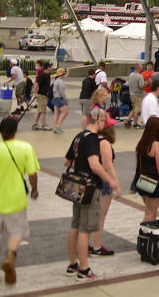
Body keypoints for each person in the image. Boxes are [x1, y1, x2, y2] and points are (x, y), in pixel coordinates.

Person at [65, 107, 118, 282]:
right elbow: (95, 165)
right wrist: (110, 180)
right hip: (90, 188)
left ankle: (72, 264)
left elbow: (67, 161)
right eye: (104, 122)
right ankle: (84, 269)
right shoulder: (93, 140)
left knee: (75, 225)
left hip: (76, 186)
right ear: (99, 121)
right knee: (85, 230)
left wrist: (79, 168)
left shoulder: (79, 137)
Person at [0, 117, 39, 286]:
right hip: (17, 199)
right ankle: (10, 257)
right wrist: (34, 189)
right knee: (16, 232)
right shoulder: (25, 148)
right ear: (16, 131)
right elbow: (32, 174)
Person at [89, 123, 120, 257]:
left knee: (89, 214)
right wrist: (115, 183)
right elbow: (108, 166)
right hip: (103, 181)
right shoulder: (104, 143)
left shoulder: (91, 140)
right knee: (101, 215)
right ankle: (97, 246)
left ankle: (85, 242)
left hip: (91, 179)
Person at [135, 116, 159, 222]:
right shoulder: (157, 146)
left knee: (149, 210)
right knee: (150, 212)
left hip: (141, 180)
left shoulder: (140, 145)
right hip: (154, 182)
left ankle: (150, 235)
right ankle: (145, 235)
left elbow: (137, 165)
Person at [31, 60, 52, 131]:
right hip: (41, 95)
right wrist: (35, 93)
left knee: (39, 111)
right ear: (48, 67)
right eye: (51, 67)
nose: (52, 68)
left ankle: (35, 124)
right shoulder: (42, 75)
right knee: (43, 111)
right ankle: (44, 125)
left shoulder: (48, 75)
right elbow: (36, 84)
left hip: (45, 95)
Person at [51, 67, 70, 133]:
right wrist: (66, 100)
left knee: (56, 114)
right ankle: (58, 126)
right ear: (62, 74)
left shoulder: (56, 81)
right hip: (59, 98)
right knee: (65, 112)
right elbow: (62, 92)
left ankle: (55, 126)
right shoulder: (60, 81)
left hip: (55, 98)